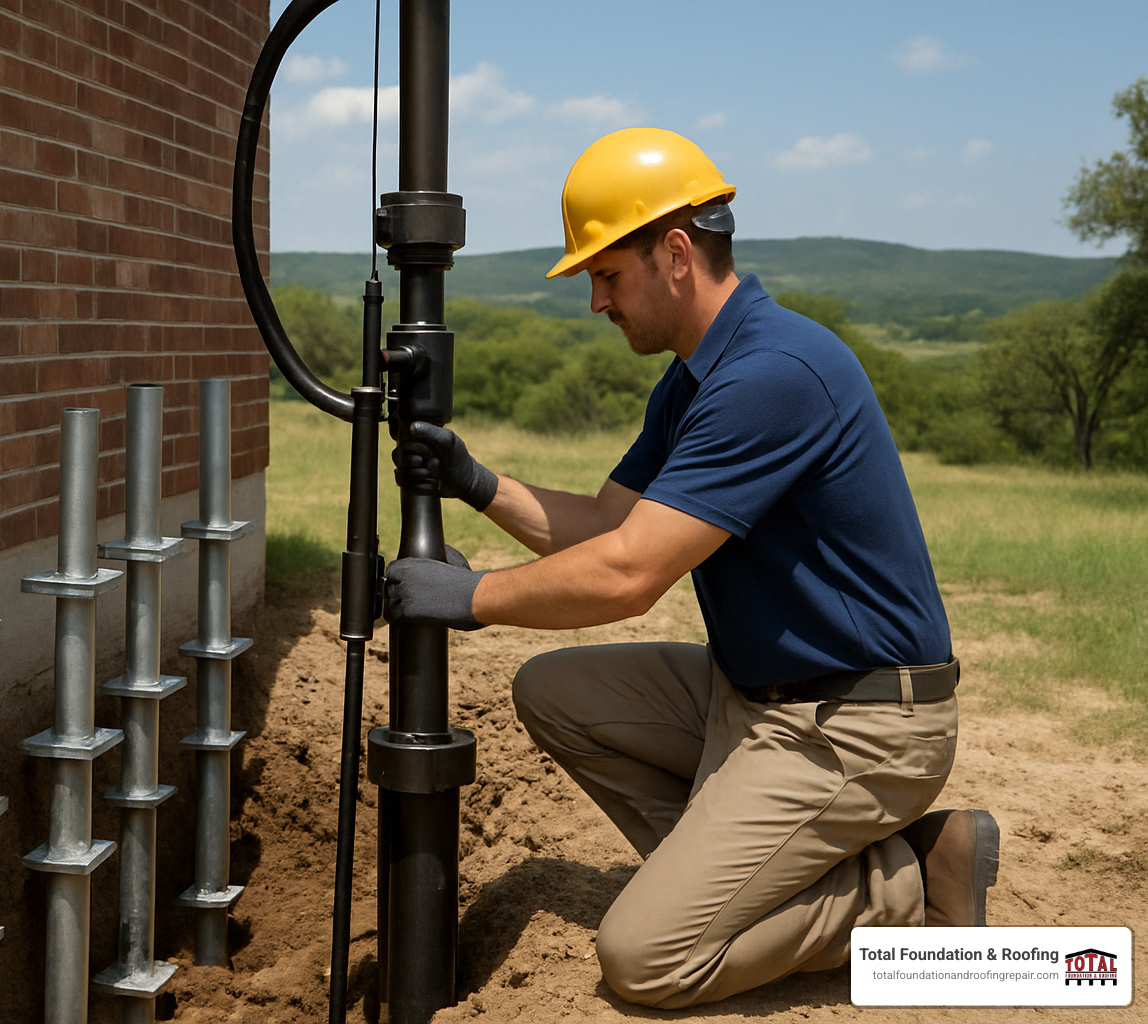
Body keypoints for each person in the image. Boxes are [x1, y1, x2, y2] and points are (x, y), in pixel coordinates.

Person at [383, 127, 999, 1008]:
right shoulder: (693, 381)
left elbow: (629, 575)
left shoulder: (772, 374)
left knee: (645, 959)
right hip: (753, 698)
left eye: (606, 274)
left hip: (856, 726)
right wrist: (477, 483)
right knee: (556, 694)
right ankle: (742, 883)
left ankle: (895, 890)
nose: (596, 302)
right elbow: (605, 525)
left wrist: (470, 598)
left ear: (674, 252)